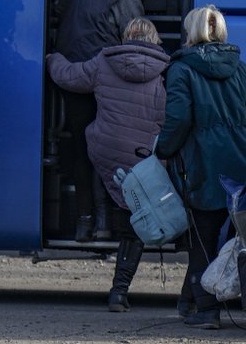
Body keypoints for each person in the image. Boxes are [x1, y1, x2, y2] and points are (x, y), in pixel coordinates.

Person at [46, 17, 169, 312]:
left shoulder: (104, 61)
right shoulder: (164, 70)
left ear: (125, 36)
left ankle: (100, 221)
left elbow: (69, 77)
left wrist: (53, 57)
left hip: (106, 150)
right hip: (143, 157)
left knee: (101, 166)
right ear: (155, 39)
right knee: (133, 219)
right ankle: (119, 291)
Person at [155, 5, 246, 330]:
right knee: (236, 238)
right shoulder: (241, 70)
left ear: (191, 32)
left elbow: (178, 119)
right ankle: (194, 301)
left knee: (201, 238)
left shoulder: (181, 69)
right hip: (242, 164)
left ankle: (207, 311)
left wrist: (162, 150)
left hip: (202, 163)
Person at [54, 0, 151, 242]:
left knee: (83, 150)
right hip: (106, 83)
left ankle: (84, 223)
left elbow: (60, 9)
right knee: (109, 153)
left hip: (72, 78)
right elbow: (136, 39)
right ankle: (107, 222)